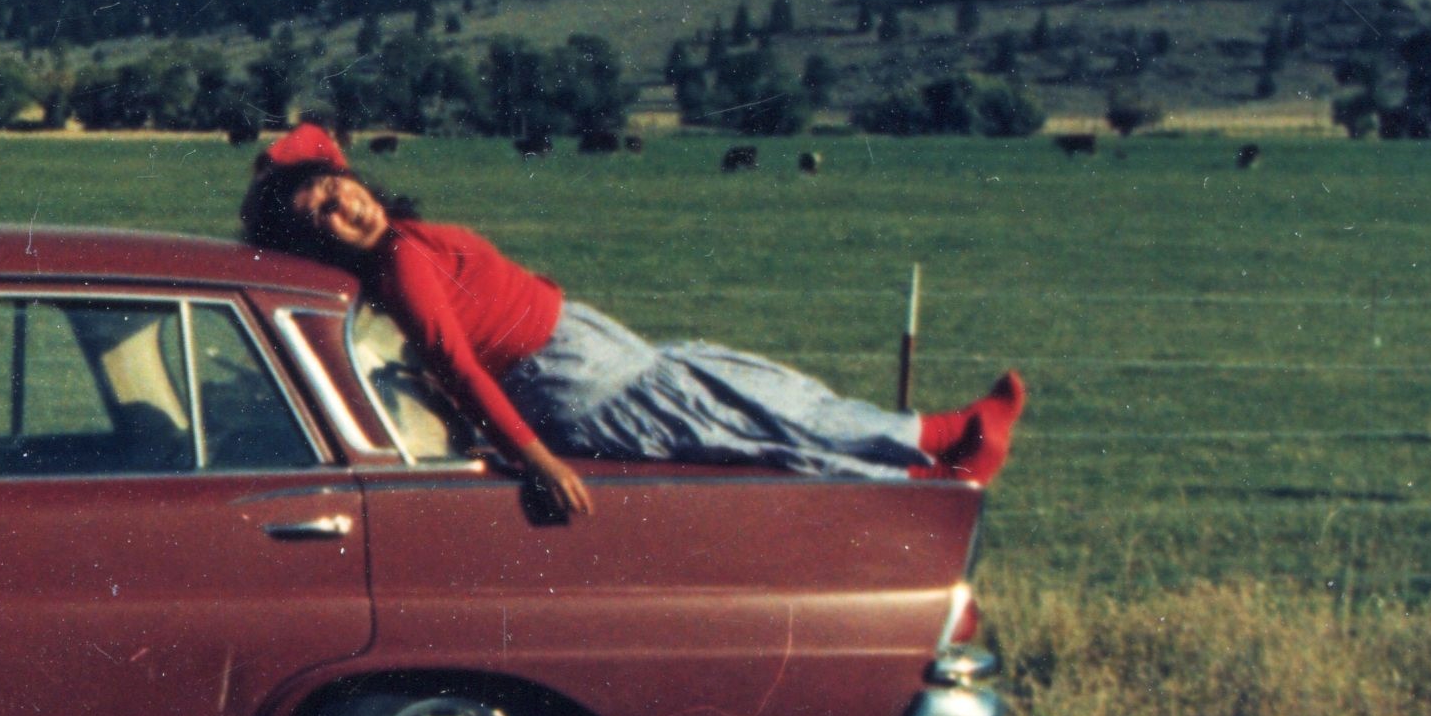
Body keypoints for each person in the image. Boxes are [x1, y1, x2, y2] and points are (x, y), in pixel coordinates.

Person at [236, 124, 1025, 519]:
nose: (344, 209)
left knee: (770, 400)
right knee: (762, 433)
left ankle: (943, 441)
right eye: (321, 218)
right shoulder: (400, 265)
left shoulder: (407, 240)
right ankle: (935, 481)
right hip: (575, 380)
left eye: (337, 189)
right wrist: (536, 459)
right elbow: (457, 364)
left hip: (591, 357)